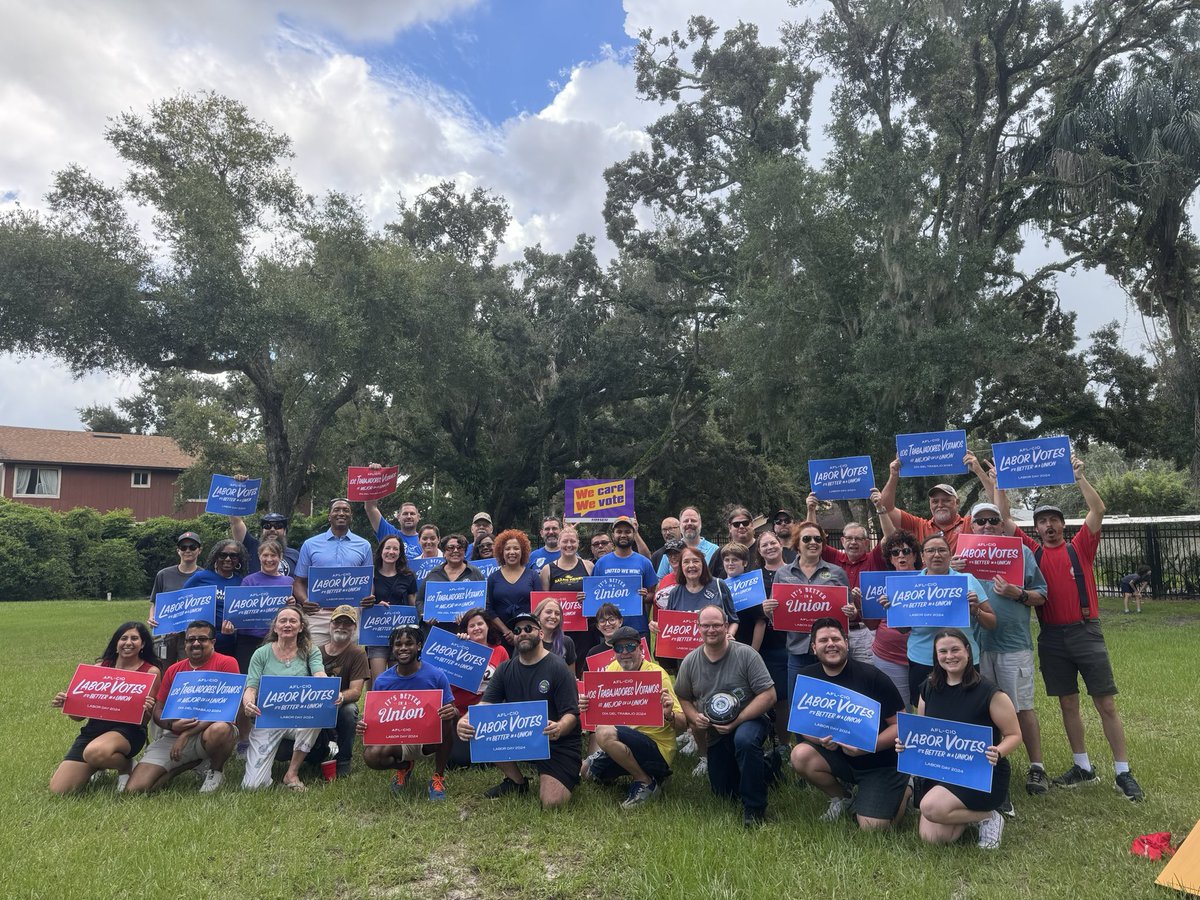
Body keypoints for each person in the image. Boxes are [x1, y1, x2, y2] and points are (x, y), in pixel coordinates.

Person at [1004, 456, 1144, 800]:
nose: (1048, 525)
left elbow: (1098, 510)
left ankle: (1122, 771)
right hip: (1051, 637)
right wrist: (996, 479)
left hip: (1085, 631)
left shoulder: (1080, 546)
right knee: (1068, 702)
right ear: (1035, 528)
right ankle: (1083, 766)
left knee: (1105, 703)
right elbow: (1004, 519)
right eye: (1042, 521)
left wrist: (1080, 477)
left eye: (1053, 520)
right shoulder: (1031, 551)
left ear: (1063, 524)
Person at [898, 629, 1022, 850]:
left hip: (980, 772)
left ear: (967, 650)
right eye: (943, 651)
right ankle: (974, 816)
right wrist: (907, 745)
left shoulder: (990, 693)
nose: (950, 656)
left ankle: (990, 817)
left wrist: (999, 751)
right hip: (943, 768)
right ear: (936, 656)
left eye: (955, 649)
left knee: (930, 807)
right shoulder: (928, 687)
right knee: (933, 837)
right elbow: (922, 730)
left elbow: (1014, 735)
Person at [966, 501, 1051, 798]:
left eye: (993, 520)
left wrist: (1018, 593)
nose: (987, 526)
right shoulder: (961, 559)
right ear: (972, 526)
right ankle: (984, 765)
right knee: (978, 711)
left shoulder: (1021, 553)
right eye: (980, 521)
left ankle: (1037, 767)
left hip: (1012, 645)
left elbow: (1041, 596)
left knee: (1021, 707)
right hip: (973, 649)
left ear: (1002, 525)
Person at [791, 618, 909, 829]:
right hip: (839, 757)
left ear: (847, 643)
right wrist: (819, 739)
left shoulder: (872, 677)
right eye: (824, 640)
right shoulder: (807, 677)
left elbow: (902, 725)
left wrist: (868, 746)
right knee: (800, 755)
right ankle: (843, 797)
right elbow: (801, 724)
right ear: (814, 647)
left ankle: (907, 790)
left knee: (873, 828)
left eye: (836, 638)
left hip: (880, 763)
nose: (831, 644)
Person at [456, 612, 581, 808]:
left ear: (540, 634)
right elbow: (485, 705)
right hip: (522, 738)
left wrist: (559, 727)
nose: (522, 633)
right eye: (517, 630)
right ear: (513, 637)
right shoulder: (505, 669)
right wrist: (464, 720)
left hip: (557, 742)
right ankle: (517, 782)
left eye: (528, 628)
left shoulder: (558, 667)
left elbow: (572, 714)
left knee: (552, 803)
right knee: (481, 723)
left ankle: (566, 772)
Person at [675, 604, 778, 827]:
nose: (711, 630)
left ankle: (755, 808)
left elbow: (769, 695)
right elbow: (682, 696)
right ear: (698, 628)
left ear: (725, 627)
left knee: (744, 741)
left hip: (750, 720)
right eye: (705, 625)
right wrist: (694, 717)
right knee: (723, 792)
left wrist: (738, 721)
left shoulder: (745, 654)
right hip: (715, 729)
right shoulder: (690, 661)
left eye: (716, 625)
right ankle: (767, 767)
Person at [124, 620, 240, 794]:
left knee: (221, 729)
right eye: (190, 639)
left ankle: (215, 771)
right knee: (136, 790)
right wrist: (171, 726)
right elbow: (158, 710)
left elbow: (227, 708)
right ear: (184, 643)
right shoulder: (174, 670)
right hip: (174, 734)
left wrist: (186, 733)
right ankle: (188, 764)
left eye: (202, 639)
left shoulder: (226, 663)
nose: (196, 643)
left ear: (213, 642)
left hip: (208, 730)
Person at [882, 533, 995, 707]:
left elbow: (992, 623)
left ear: (950, 555)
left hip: (962, 658)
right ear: (922, 556)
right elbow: (905, 630)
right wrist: (894, 612)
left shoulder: (967, 580)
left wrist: (976, 611)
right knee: (925, 709)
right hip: (923, 659)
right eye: (930, 550)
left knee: (966, 708)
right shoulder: (909, 585)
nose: (936, 554)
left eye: (942, 550)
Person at [579, 625, 686, 807]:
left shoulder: (658, 675)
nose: (625, 652)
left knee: (603, 732)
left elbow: (683, 725)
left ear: (641, 648)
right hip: (627, 738)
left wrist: (669, 715)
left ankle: (645, 781)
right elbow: (602, 707)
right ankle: (635, 770)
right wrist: (588, 704)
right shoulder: (613, 668)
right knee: (584, 772)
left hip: (656, 748)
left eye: (630, 647)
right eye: (619, 648)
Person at [49, 621, 162, 794]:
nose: (128, 643)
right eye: (123, 638)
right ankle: (99, 764)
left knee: (95, 752)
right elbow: (77, 717)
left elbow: (145, 719)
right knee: (60, 790)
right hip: (94, 730)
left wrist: (149, 709)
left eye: (134, 638)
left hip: (128, 731)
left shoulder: (150, 672)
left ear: (143, 644)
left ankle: (126, 765)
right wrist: (68, 703)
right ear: (116, 643)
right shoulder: (99, 668)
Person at [361, 624, 458, 800]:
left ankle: (438, 777)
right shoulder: (383, 681)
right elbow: (376, 719)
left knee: (446, 719)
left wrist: (452, 712)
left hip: (430, 740)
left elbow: (454, 709)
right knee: (371, 756)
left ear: (418, 646)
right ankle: (404, 767)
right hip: (399, 740)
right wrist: (364, 725)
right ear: (393, 648)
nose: (403, 648)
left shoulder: (436, 675)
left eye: (409, 643)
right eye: (398, 644)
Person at [240, 606, 329, 791]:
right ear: (275, 627)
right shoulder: (261, 654)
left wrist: (327, 688)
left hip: (298, 719)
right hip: (268, 719)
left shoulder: (310, 651)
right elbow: (251, 687)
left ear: (301, 627)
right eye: (283, 621)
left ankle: (291, 774)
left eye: (293, 621)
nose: (287, 624)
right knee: (252, 786)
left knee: (315, 717)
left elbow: (319, 674)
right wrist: (248, 703)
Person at [769, 522, 849, 710]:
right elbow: (777, 617)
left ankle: (833, 740)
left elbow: (849, 610)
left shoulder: (837, 572)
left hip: (831, 650)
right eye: (807, 538)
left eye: (818, 539)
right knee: (799, 705)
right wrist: (769, 611)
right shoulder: (783, 573)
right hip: (798, 652)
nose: (813, 542)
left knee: (833, 704)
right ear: (798, 543)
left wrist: (851, 611)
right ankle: (802, 740)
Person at [806, 490, 889, 664]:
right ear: (842, 541)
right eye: (849, 538)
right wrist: (811, 510)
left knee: (865, 679)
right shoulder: (834, 558)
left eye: (858, 539)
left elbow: (888, 539)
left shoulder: (874, 559)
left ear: (866, 543)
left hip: (865, 632)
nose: (853, 543)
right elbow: (812, 535)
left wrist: (880, 507)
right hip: (835, 633)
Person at [293, 498, 373, 649]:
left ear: (351, 516)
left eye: (346, 510)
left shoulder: (364, 545)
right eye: (336, 510)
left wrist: (368, 598)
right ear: (329, 516)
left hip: (350, 614)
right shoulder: (310, 544)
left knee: (351, 662)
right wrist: (305, 601)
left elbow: (369, 582)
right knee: (313, 660)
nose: (341, 513)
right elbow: (298, 581)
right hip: (319, 614)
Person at [740, 531, 791, 746]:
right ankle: (767, 737)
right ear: (759, 551)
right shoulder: (753, 578)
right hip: (763, 643)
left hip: (789, 641)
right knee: (763, 695)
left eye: (773, 543)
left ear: (780, 545)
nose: (769, 547)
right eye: (764, 545)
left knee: (783, 698)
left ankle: (784, 743)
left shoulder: (794, 572)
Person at [448, 608, 510, 767]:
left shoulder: (500, 651)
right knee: (458, 761)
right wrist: (459, 646)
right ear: (465, 630)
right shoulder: (456, 649)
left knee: (489, 760)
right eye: (471, 625)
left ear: (488, 626)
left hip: (488, 716)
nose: (476, 628)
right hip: (461, 715)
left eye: (480, 624)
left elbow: (506, 685)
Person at [867, 531, 921, 708]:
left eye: (906, 551)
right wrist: (861, 604)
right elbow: (871, 624)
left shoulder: (930, 581)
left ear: (915, 555)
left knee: (927, 707)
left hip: (925, 657)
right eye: (895, 552)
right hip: (888, 656)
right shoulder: (879, 582)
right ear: (889, 559)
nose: (901, 556)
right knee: (898, 707)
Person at [321, 605, 369, 777]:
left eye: (347, 623)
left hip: (341, 704)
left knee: (350, 711)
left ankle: (343, 760)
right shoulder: (316, 652)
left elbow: (356, 692)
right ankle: (316, 755)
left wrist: (340, 696)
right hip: (316, 705)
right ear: (330, 624)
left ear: (354, 628)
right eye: (338, 622)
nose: (341, 626)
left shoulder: (358, 654)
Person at [232, 538, 293, 673]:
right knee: (247, 677)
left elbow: (295, 613)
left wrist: (293, 605)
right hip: (248, 639)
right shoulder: (249, 580)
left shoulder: (288, 581)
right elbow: (239, 610)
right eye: (265, 555)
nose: (269, 559)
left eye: (273, 555)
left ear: (280, 557)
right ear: (259, 557)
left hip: (276, 639)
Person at [361, 535, 418, 680]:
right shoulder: (370, 575)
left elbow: (414, 606)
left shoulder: (408, 576)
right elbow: (364, 604)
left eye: (395, 549)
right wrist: (375, 606)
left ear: (400, 553)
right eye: (388, 548)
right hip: (376, 636)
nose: (391, 552)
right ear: (381, 551)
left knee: (397, 679)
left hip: (400, 637)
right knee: (378, 680)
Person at [539, 524, 593, 671]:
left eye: (572, 541)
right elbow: (544, 603)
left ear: (578, 543)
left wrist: (588, 599)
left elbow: (596, 597)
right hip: (558, 629)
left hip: (584, 629)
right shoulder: (547, 569)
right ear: (558, 543)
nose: (569, 545)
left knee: (582, 667)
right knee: (557, 666)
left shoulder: (588, 566)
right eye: (565, 541)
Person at [652, 546, 738, 637]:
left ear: (703, 564)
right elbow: (669, 627)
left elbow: (733, 621)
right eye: (686, 562)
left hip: (717, 648)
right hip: (685, 649)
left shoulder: (719, 585)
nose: (691, 565)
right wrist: (656, 626)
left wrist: (730, 635)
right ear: (681, 566)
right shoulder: (675, 593)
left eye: (696, 561)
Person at [592, 516, 656, 635]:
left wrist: (644, 596)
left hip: (637, 627)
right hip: (609, 628)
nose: (623, 535)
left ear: (633, 533)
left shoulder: (644, 562)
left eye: (627, 532)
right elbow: (594, 594)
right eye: (619, 532)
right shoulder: (601, 563)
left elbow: (652, 594)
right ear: (613, 535)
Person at [184, 539, 247, 658]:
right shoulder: (201, 577)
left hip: (229, 641)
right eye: (223, 555)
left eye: (233, 555)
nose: (228, 559)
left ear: (239, 559)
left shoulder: (241, 582)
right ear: (215, 557)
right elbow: (180, 602)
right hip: (201, 642)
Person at [148, 531, 203, 667]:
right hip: (167, 634)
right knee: (163, 669)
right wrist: (152, 618)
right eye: (183, 547)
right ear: (178, 550)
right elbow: (155, 602)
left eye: (192, 547)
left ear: (199, 550)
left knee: (190, 668)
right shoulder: (164, 574)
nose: (187, 550)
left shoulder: (205, 576)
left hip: (192, 635)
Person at [486, 530, 541, 644]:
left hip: (528, 634)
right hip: (501, 637)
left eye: (516, 548)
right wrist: (506, 631)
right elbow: (489, 609)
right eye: (507, 549)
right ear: (501, 551)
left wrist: (522, 631)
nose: (512, 552)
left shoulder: (533, 575)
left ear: (523, 551)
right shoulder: (493, 578)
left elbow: (539, 606)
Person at [417, 534, 485, 623]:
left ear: (465, 552)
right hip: (437, 629)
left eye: (460, 547)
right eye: (450, 547)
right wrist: (425, 615)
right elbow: (419, 600)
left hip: (466, 631)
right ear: (444, 552)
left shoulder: (475, 573)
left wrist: (471, 616)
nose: (455, 551)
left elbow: (484, 603)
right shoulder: (433, 574)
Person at [230, 508, 299, 575]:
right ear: (262, 531)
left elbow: (302, 580)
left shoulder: (294, 555)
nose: (272, 529)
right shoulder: (251, 547)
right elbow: (236, 522)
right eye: (267, 526)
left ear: (285, 531)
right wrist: (232, 500)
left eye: (278, 526)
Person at [655, 506, 719, 576]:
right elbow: (661, 581)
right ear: (680, 525)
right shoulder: (670, 551)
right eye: (685, 521)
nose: (689, 523)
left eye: (693, 520)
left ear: (700, 523)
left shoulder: (714, 550)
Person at [710, 507, 759, 577]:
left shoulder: (762, 549)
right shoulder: (720, 553)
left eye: (745, 523)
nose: (741, 526)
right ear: (730, 528)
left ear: (752, 524)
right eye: (736, 524)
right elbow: (709, 581)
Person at [535, 594, 577, 669]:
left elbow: (572, 677)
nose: (553, 616)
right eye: (548, 612)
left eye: (557, 614)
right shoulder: (529, 640)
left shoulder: (567, 642)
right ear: (538, 615)